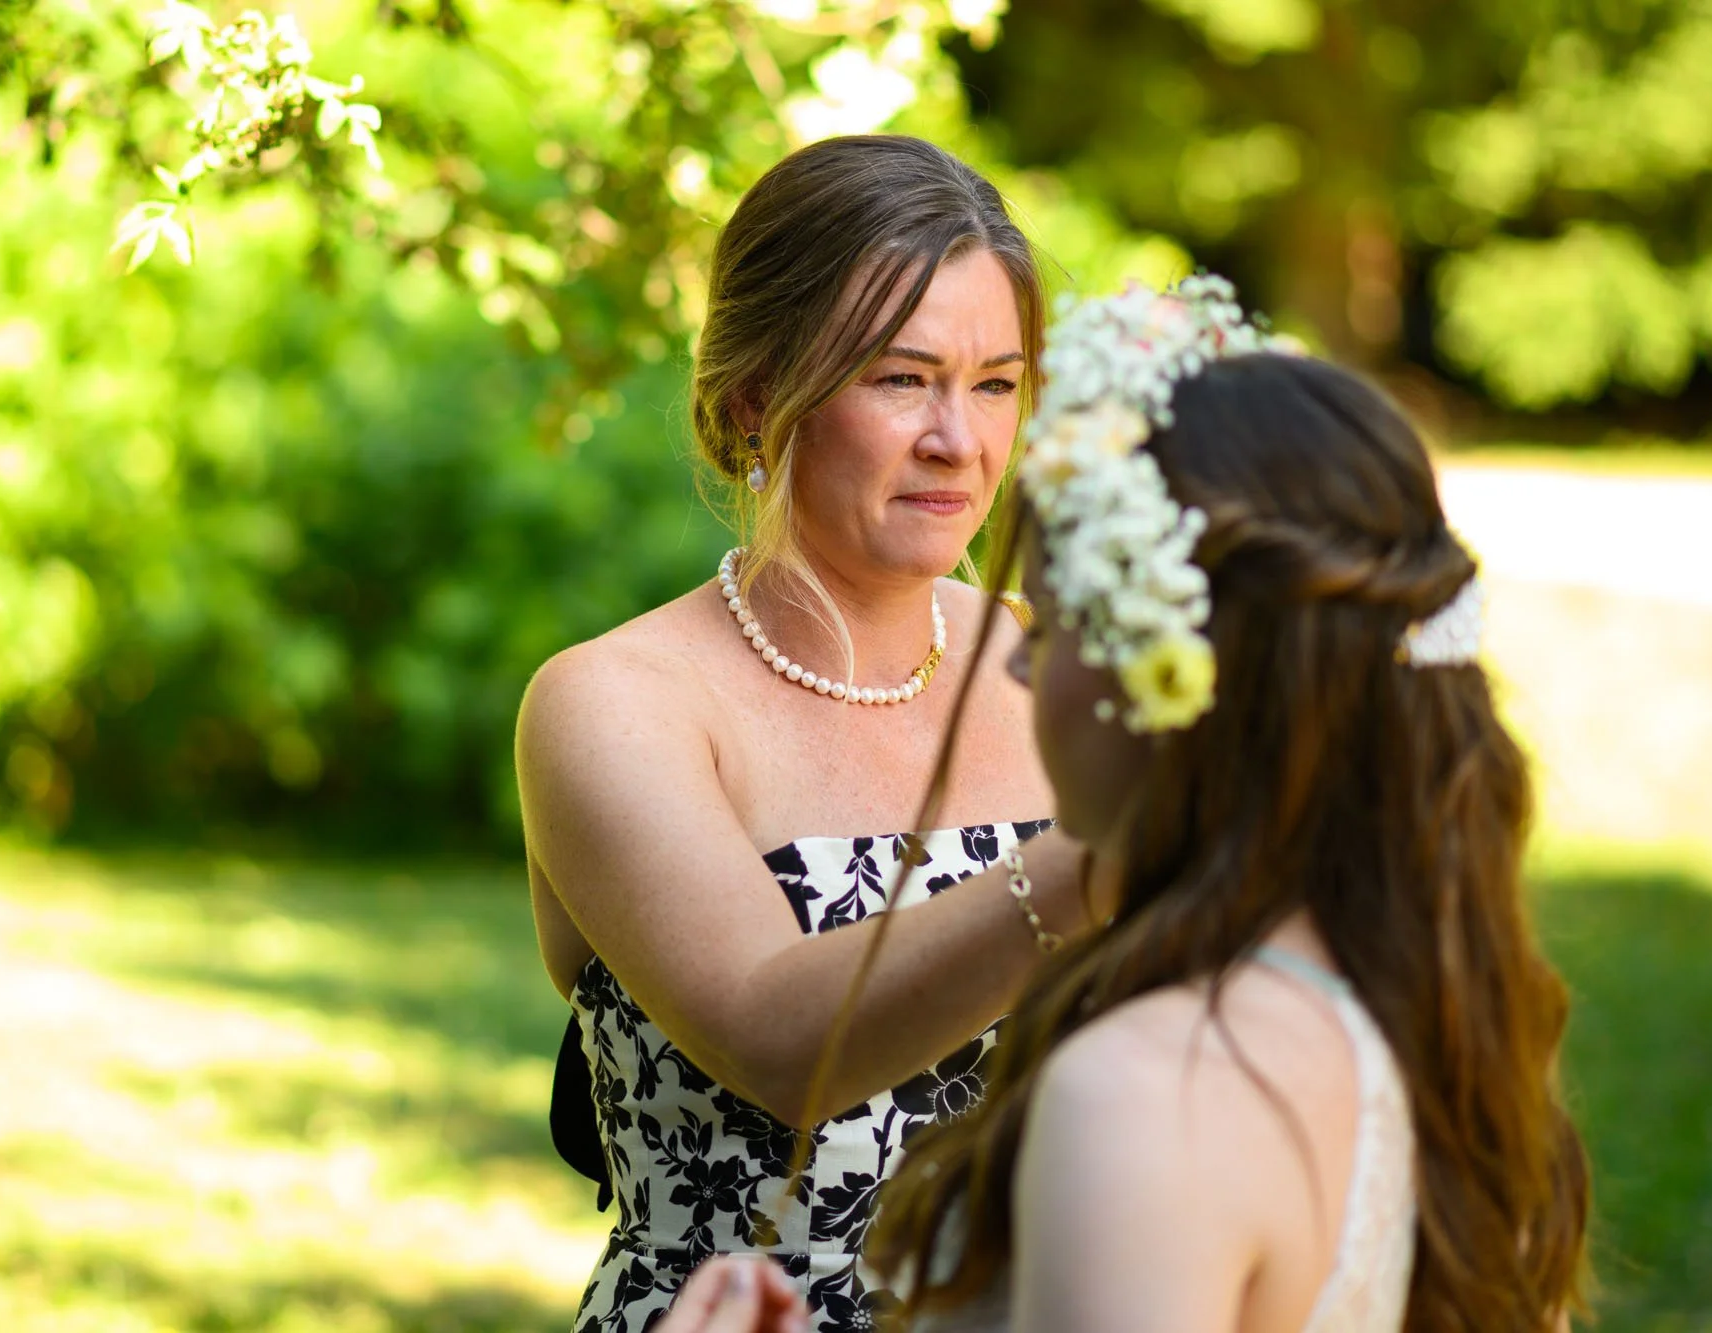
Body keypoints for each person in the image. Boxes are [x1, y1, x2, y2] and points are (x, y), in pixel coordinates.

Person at [660, 278, 1592, 1332]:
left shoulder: (1146, 1092)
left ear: (1170, 675)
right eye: (901, 378)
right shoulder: (1435, 1010)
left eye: (1049, 627)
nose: (1015, 671)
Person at [514, 135, 1100, 1333]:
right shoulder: (615, 703)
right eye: (901, 378)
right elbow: (779, 1040)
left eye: (996, 382)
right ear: (754, 400)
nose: (959, 438)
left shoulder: (1070, 665)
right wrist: (1105, 860)